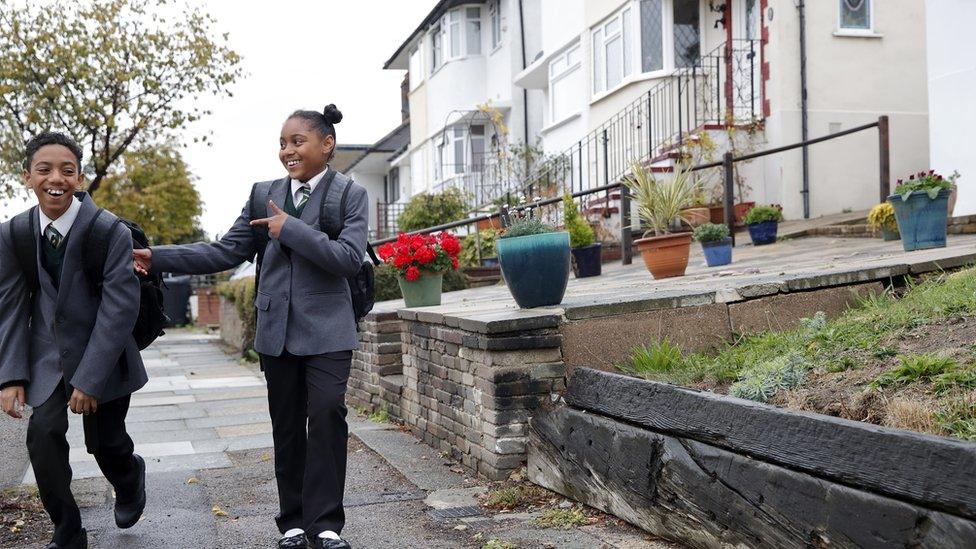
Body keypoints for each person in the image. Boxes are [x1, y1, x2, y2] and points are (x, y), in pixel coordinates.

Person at [132, 105, 367, 549]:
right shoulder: (263, 193)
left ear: (327, 144)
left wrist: (290, 229)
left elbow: (349, 260)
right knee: (286, 425)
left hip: (330, 330)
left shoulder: (349, 195)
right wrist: (157, 256)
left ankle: (328, 525)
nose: (287, 150)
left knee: (328, 413)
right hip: (276, 329)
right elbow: (225, 252)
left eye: (297, 141)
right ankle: (294, 522)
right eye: (282, 143)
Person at [0, 132, 149, 549]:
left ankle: (129, 475)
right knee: (43, 438)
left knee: (105, 443)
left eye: (67, 170)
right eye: (44, 169)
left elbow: (119, 309)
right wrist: (10, 375)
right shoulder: (14, 234)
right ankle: (68, 532)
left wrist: (90, 380)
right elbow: (10, 306)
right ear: (26, 176)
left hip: (105, 355)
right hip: (46, 357)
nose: (56, 179)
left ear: (80, 177)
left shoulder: (109, 231)